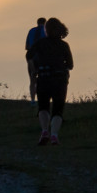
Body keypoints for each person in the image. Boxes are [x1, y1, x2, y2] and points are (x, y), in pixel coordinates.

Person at [28, 17, 73, 145]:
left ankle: (44, 131)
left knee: (43, 107)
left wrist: (34, 69)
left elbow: (29, 55)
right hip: (60, 80)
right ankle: (54, 135)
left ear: (46, 30)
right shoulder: (64, 45)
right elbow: (70, 65)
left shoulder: (40, 43)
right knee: (58, 109)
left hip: (43, 78)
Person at [24, 17, 48, 102]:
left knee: (32, 79)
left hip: (31, 57)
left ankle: (33, 100)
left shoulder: (31, 31)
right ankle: (42, 98)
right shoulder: (46, 31)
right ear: (45, 23)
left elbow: (27, 47)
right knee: (44, 78)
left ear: (37, 23)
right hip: (42, 57)